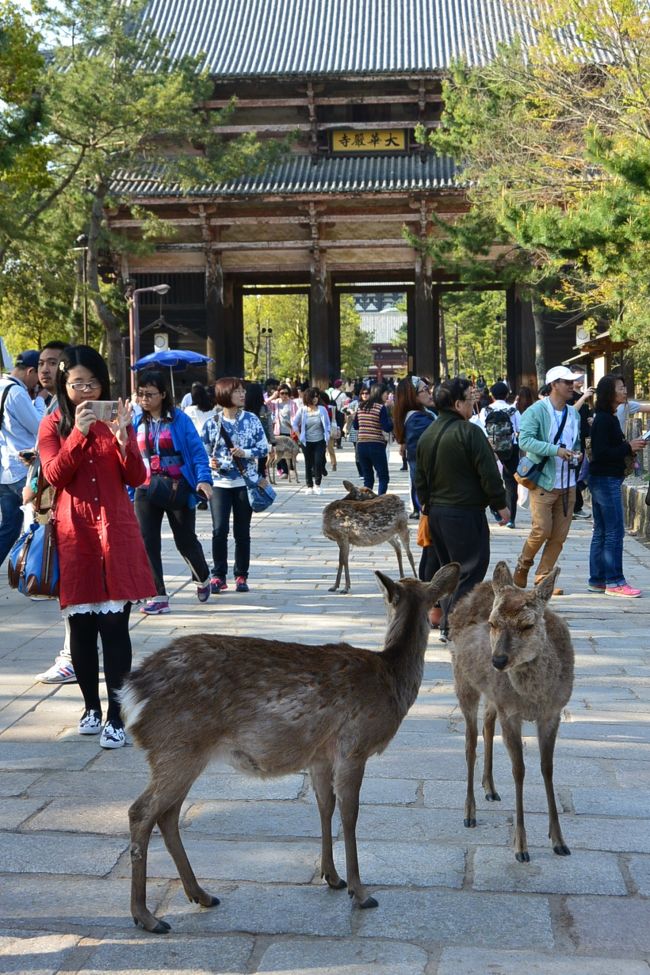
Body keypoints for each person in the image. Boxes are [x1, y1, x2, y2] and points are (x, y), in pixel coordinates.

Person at [38, 344, 156, 749]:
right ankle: (90, 707)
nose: (86, 392)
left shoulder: (117, 420)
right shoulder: (53, 425)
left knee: (115, 628)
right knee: (82, 628)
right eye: (77, 384)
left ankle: (116, 716)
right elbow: (55, 474)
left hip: (115, 532)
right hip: (76, 535)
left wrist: (125, 440)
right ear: (64, 385)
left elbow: (136, 477)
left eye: (92, 383)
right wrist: (79, 433)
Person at [415, 377, 508, 643]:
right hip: (464, 513)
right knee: (469, 569)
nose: (472, 403)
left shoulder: (428, 434)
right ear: (457, 404)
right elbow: (488, 472)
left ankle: (448, 620)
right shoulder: (470, 433)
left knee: (449, 569)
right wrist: (500, 504)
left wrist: (426, 505)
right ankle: (453, 625)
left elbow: (419, 479)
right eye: (469, 398)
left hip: (436, 513)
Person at [133, 369, 213, 615]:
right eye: (140, 394)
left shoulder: (179, 420)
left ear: (163, 394)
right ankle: (157, 595)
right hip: (145, 487)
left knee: (185, 540)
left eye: (149, 394)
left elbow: (197, 452)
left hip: (177, 487)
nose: (144, 399)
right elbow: (129, 454)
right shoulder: (137, 421)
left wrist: (203, 480)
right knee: (147, 542)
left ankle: (202, 576)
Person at [29, 341, 80, 686]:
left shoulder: (67, 411)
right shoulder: (49, 407)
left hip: (74, 511)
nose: (45, 369)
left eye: (53, 363)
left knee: (71, 585)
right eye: (41, 363)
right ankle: (75, 653)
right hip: (54, 505)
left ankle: (73, 656)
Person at [513, 365, 582, 593]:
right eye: (567, 382)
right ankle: (523, 565)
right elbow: (525, 441)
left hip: (568, 482)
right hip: (544, 480)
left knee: (559, 535)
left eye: (572, 382)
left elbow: (576, 442)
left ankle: (543, 576)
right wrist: (555, 450)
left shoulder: (573, 413)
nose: (572, 386)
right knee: (541, 529)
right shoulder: (536, 411)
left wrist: (577, 453)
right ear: (554, 385)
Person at [202, 377, 269, 592]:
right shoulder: (212, 423)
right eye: (237, 391)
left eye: (243, 391)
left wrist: (245, 453)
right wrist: (210, 462)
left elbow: (264, 448)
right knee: (219, 530)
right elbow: (202, 451)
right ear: (224, 395)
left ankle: (241, 575)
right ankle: (218, 575)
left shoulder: (252, 420)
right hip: (219, 483)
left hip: (244, 482)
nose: (242, 394)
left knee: (242, 531)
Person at [588, 374, 646, 597]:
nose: (624, 391)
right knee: (614, 531)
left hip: (602, 479)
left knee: (602, 530)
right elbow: (601, 453)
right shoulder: (605, 420)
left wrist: (628, 447)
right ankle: (614, 581)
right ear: (609, 393)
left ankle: (598, 579)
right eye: (620, 388)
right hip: (606, 480)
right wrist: (628, 446)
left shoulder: (607, 418)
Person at [0, 350, 41, 567]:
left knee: (9, 527)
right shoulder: (16, 393)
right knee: (37, 523)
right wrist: (40, 400)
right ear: (30, 371)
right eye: (37, 376)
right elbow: (39, 426)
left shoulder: (1, 386)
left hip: (4, 471)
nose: (38, 383)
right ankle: (36, 572)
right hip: (23, 470)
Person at [392, 376, 436, 519]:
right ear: (412, 395)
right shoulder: (418, 420)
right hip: (432, 491)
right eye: (425, 389)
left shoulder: (419, 415)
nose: (430, 393)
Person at [478, 381, 520, 529]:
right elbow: (519, 429)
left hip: (490, 448)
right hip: (511, 448)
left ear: (492, 395)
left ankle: (495, 509)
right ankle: (511, 518)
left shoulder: (485, 410)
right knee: (511, 483)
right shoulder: (513, 410)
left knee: (489, 478)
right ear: (507, 394)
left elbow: (482, 429)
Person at [354, 383, 393, 494]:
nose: (387, 395)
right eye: (386, 393)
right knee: (383, 476)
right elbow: (387, 427)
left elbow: (356, 426)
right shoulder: (380, 408)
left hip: (361, 446)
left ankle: (367, 501)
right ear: (380, 393)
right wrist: (393, 420)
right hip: (376, 445)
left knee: (368, 478)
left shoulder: (361, 406)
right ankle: (380, 500)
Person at [292, 386, 330, 495]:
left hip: (320, 440)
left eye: (316, 397)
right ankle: (309, 486)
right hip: (306, 441)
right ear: (307, 398)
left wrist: (327, 434)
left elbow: (327, 424)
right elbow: (295, 424)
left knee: (318, 462)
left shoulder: (322, 409)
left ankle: (317, 485)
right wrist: (299, 436)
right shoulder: (302, 410)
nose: (315, 399)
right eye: (313, 397)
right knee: (308, 463)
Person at [568, 367, 594, 521]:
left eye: (582, 377)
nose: (580, 381)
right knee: (575, 472)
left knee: (581, 472)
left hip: (586, 438)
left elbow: (588, 413)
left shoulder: (586, 396)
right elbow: (571, 412)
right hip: (574, 440)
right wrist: (584, 396)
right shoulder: (570, 396)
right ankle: (576, 507)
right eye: (577, 378)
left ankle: (575, 506)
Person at [268, 383, 298, 478]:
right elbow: (265, 403)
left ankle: (290, 469)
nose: (284, 395)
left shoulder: (292, 403)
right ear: (279, 393)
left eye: (286, 393)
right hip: (278, 430)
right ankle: (285, 471)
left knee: (290, 450)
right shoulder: (275, 403)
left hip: (289, 431)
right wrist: (273, 396)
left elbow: (296, 417)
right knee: (279, 451)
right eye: (282, 393)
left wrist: (295, 429)